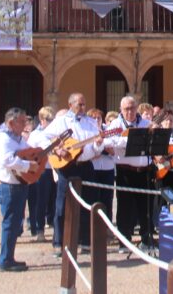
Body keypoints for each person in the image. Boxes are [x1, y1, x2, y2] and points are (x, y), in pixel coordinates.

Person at [40, 93, 103, 257]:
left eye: (84, 104)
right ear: (70, 105)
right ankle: (59, 242)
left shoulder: (91, 122)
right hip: (67, 166)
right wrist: (56, 149)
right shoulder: (61, 121)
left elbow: (96, 149)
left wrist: (98, 144)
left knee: (88, 203)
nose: (82, 108)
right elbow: (43, 137)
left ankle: (85, 241)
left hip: (86, 166)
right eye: (79, 105)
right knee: (62, 205)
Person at [0, 108, 40, 272]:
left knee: (15, 223)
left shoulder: (17, 139)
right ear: (11, 123)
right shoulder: (2, 138)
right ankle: (5, 260)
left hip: (18, 183)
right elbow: (7, 160)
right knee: (10, 223)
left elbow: (28, 151)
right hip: (9, 185)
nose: (25, 124)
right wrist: (28, 165)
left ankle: (9, 257)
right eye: (22, 121)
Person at [108, 95, 154, 251]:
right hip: (125, 171)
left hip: (144, 171)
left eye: (132, 108)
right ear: (121, 110)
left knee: (145, 207)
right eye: (126, 109)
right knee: (124, 208)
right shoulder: (116, 124)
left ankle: (147, 240)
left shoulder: (145, 123)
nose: (130, 111)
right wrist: (130, 140)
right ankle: (124, 241)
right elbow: (109, 141)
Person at [26, 107, 55, 242]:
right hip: (42, 171)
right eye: (49, 120)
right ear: (42, 120)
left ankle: (55, 228)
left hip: (54, 169)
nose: (51, 122)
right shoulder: (35, 135)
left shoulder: (55, 133)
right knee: (40, 201)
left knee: (53, 200)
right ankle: (39, 230)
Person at [88, 108, 116, 220]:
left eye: (98, 118)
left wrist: (104, 149)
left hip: (107, 168)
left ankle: (107, 223)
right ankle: (93, 224)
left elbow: (114, 150)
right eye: (93, 118)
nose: (96, 120)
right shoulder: (87, 131)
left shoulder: (109, 131)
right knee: (93, 197)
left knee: (107, 198)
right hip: (92, 168)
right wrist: (97, 152)